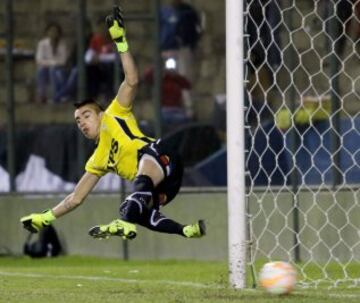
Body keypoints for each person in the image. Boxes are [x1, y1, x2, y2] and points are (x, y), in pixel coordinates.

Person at [20, 6, 206, 241]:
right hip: (165, 185)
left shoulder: (114, 113)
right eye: (78, 121)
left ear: (99, 114)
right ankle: (186, 230)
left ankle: (124, 224)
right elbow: (75, 198)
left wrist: (120, 41)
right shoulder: (98, 159)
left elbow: (132, 79)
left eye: (86, 115)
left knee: (137, 187)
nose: (82, 122)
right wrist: (45, 217)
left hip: (159, 155)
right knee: (134, 209)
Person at [35, 22, 68, 104]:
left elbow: (63, 61)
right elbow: (39, 60)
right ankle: (41, 95)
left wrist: (51, 64)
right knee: (41, 70)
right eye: (51, 31)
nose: (53, 33)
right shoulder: (42, 44)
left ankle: (55, 95)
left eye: (55, 31)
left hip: (59, 69)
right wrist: (52, 63)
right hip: (47, 67)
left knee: (53, 70)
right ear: (47, 32)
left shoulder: (62, 44)